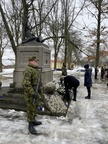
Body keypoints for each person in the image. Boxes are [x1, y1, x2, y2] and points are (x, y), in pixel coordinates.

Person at [22, 56, 42, 135]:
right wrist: (33, 93)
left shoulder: (35, 69)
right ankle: (30, 124)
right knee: (31, 108)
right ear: (31, 61)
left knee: (35, 107)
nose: (37, 62)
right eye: (35, 61)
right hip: (30, 94)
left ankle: (33, 120)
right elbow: (26, 84)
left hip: (36, 92)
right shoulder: (28, 70)